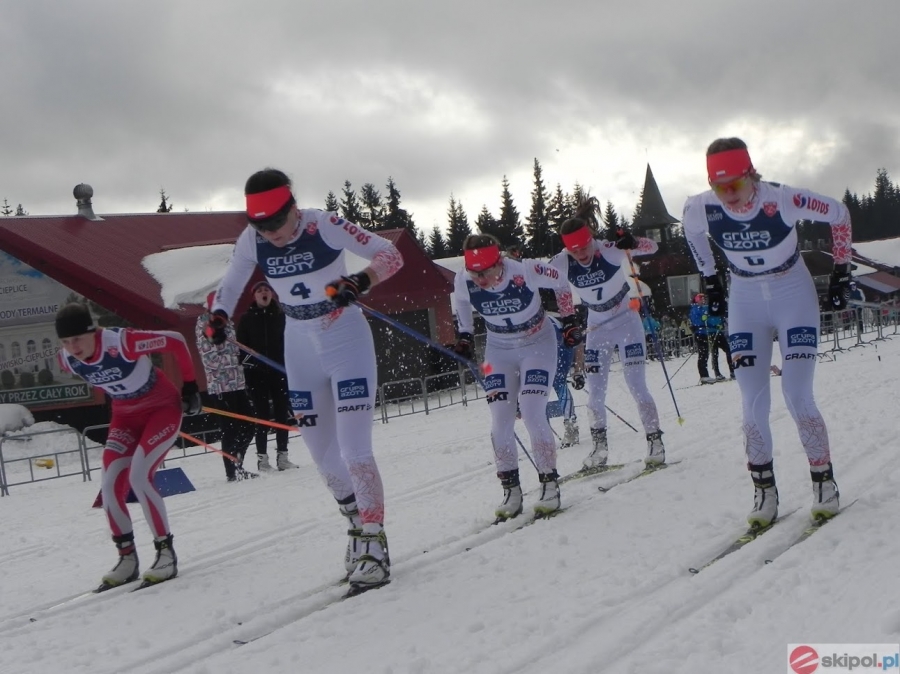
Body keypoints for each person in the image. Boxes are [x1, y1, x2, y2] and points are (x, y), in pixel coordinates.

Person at [206, 168, 403, 593]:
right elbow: (230, 285)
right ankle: (356, 529)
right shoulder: (252, 240)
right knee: (323, 455)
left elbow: (390, 254)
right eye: (262, 226)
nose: (272, 233)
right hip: (298, 344)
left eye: (278, 222)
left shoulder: (323, 224)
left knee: (354, 449)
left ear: (293, 208)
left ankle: (375, 541)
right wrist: (219, 316)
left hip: (344, 337)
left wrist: (360, 280)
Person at [682, 137, 851, 527]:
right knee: (752, 402)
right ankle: (764, 491)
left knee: (797, 393)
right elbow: (692, 234)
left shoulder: (784, 199)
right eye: (719, 187)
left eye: (736, 185)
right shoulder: (699, 207)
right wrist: (711, 280)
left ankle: (823, 482)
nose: (729, 195)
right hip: (746, 301)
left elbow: (839, 214)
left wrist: (841, 271)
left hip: (793, 294)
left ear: (752, 174)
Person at [55, 302, 201, 590]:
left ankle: (165, 553)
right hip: (125, 417)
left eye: (78, 339)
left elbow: (176, 340)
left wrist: (191, 387)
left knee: (139, 476)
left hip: (161, 408)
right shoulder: (66, 359)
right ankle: (127, 558)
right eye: (66, 341)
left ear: (93, 332)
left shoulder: (123, 343)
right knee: (109, 485)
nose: (73, 348)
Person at [452, 233, 581, 520]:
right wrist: (464, 336)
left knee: (533, 413)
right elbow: (460, 301)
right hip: (497, 350)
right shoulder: (463, 279)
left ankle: (549, 484)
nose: (480, 279)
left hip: (538, 344)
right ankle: (511, 491)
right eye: (474, 273)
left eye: (485, 272)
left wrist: (570, 321)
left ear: (499, 262)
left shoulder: (527, 270)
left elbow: (561, 280)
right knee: (500, 420)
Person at [547, 198, 666, 472]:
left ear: (591, 238)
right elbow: (560, 292)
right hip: (597, 328)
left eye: (584, 246)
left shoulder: (609, 250)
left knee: (636, 385)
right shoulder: (562, 262)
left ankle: (655, 441)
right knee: (595, 393)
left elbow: (653, 247)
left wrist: (633, 242)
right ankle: (599, 449)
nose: (581, 254)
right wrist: (569, 322)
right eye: (574, 250)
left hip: (627, 322)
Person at [194, 292, 257, 482]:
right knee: (231, 429)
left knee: (249, 425)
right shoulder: (204, 325)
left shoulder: (227, 322)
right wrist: (237, 360)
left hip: (237, 383)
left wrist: (244, 356)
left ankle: (238, 462)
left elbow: (233, 349)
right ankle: (232, 471)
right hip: (221, 386)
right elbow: (210, 359)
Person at [235, 280, 296, 471]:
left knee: (282, 414)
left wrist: (288, 363)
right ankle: (262, 460)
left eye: (267, 290)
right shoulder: (247, 318)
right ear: (254, 296)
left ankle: (283, 457)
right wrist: (250, 362)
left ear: (272, 294)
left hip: (279, 372)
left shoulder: (281, 316)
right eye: (260, 290)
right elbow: (241, 347)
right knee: (262, 417)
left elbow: (290, 342)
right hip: (256, 374)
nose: (264, 293)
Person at [689, 293, 734, 383]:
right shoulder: (695, 309)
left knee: (726, 350)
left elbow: (713, 318)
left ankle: (732, 370)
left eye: (704, 298)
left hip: (712, 332)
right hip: (703, 333)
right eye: (701, 299)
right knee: (706, 353)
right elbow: (696, 321)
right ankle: (706, 375)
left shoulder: (707, 307)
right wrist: (704, 321)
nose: (703, 300)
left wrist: (718, 324)